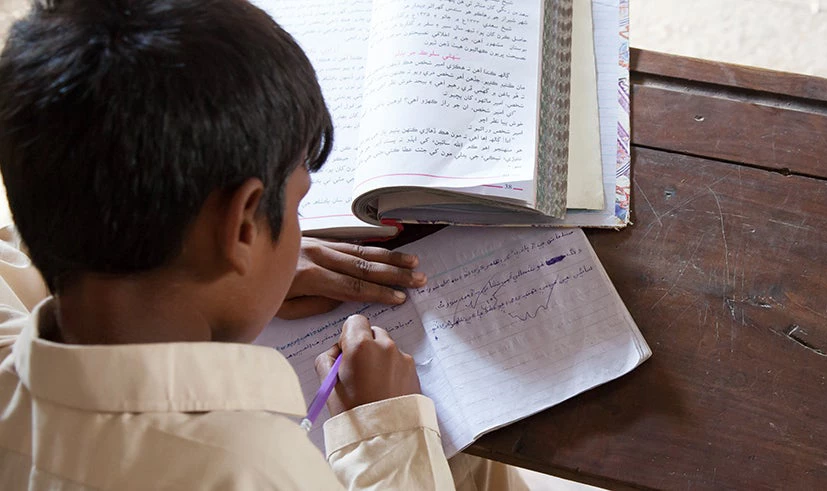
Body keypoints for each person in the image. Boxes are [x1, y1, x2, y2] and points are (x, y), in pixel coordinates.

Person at [0, 0, 527, 488]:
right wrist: (386, 435)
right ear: (242, 227)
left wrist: (237, 263)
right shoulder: (258, 471)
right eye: (297, 208)